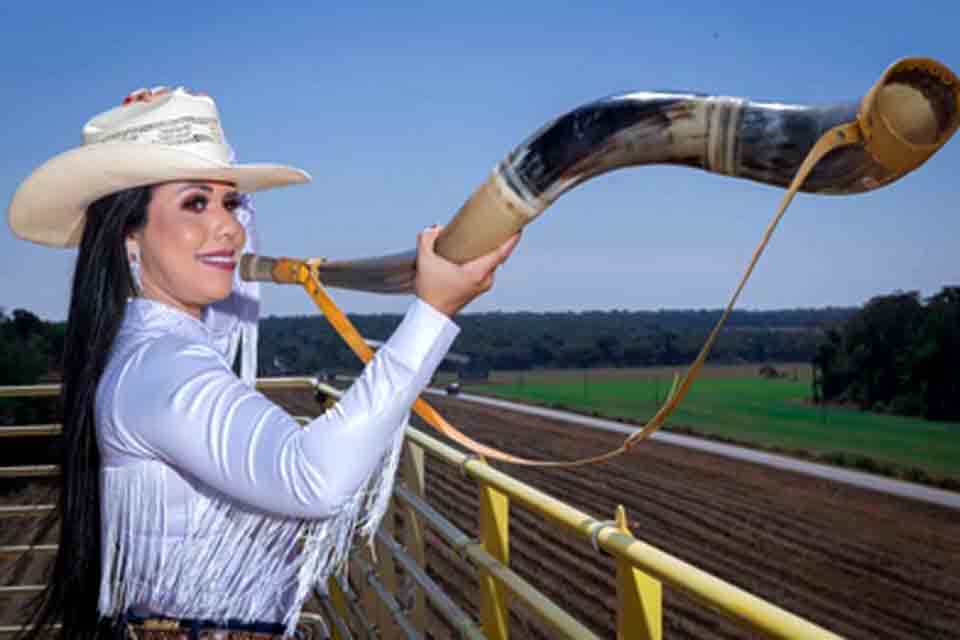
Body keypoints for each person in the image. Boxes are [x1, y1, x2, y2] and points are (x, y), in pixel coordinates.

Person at [7, 86, 519, 639]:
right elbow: (313, 478)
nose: (230, 227)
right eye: (195, 203)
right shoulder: (165, 368)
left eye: (231, 204)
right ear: (128, 236)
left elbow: (228, 308)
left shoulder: (147, 345)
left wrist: (194, 135)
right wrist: (432, 312)